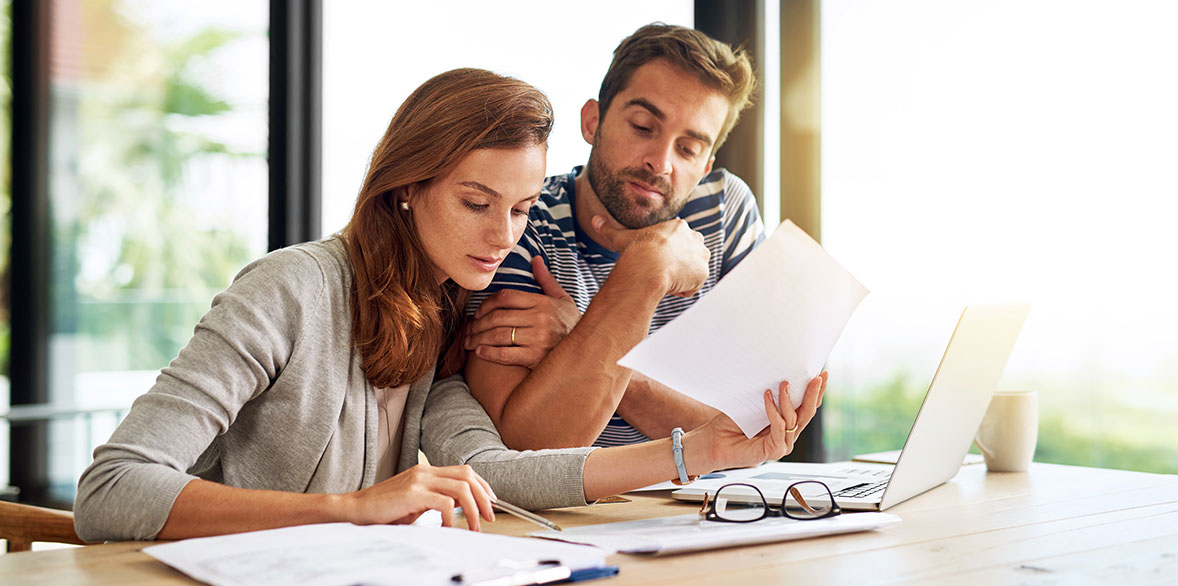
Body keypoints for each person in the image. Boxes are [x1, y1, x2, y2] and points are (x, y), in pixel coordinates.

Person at [73, 68, 825, 543]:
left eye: (525, 209)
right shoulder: (290, 288)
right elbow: (111, 490)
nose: (502, 236)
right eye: (475, 202)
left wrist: (702, 453)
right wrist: (354, 508)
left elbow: (496, 471)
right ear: (408, 185)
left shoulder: (440, 315)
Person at [462, 24, 817, 450]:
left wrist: (576, 340)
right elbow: (526, 447)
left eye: (687, 149)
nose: (661, 163)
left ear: (704, 166)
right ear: (593, 122)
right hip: (576, 511)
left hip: (702, 505)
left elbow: (757, 432)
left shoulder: (722, 211)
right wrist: (650, 267)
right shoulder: (522, 220)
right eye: (644, 127)